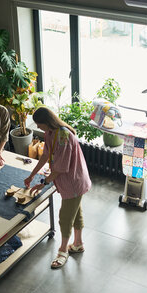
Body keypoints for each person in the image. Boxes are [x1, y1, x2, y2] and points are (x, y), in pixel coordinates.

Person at [24, 107, 91, 269]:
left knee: (65, 217)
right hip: (69, 181)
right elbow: (46, 155)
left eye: (39, 124)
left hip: (73, 182)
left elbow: (61, 168)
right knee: (75, 212)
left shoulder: (63, 136)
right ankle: (78, 243)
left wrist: (44, 182)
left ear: (47, 122)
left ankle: (63, 250)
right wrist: (32, 175)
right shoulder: (50, 133)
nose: (38, 127)